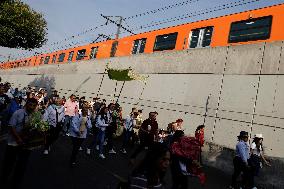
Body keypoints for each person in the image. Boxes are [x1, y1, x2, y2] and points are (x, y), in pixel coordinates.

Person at [1, 98, 38, 189]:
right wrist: (18, 138)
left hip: (26, 145)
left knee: (22, 165)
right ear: (26, 104)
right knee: (8, 164)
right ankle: (3, 180)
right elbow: (11, 126)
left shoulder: (36, 115)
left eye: (34, 105)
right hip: (14, 143)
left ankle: (16, 183)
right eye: (30, 104)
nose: (31, 107)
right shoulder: (18, 113)